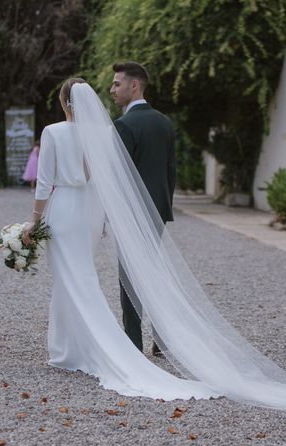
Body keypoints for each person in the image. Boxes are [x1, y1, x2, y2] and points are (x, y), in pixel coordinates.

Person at [22, 77, 286, 416]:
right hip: (87, 215)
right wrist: (100, 223)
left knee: (71, 281)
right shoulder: (101, 133)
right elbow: (101, 182)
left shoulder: (52, 133)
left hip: (64, 213)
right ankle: (69, 349)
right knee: (79, 279)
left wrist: (33, 225)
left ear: (63, 103)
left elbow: (45, 185)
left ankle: (83, 350)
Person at [110, 62, 174, 357]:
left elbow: (119, 176)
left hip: (133, 213)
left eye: (117, 84)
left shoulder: (124, 125)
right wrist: (163, 208)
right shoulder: (165, 122)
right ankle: (162, 339)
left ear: (134, 86)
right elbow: (170, 172)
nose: (112, 90)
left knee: (130, 279)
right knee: (152, 274)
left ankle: (133, 344)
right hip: (158, 211)